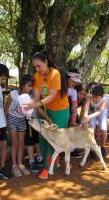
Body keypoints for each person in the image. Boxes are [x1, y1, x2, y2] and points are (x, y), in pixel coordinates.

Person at [24, 51, 70, 180]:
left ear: (46, 62)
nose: (37, 69)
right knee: (43, 136)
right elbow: (37, 96)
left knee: (53, 138)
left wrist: (35, 104)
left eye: (39, 66)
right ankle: (49, 162)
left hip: (60, 110)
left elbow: (51, 96)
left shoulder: (55, 74)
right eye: (35, 67)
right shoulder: (37, 76)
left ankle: (48, 167)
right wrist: (33, 105)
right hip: (45, 109)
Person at [4, 74, 34, 177]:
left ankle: (20, 163)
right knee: (15, 143)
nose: (30, 88)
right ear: (23, 85)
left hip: (22, 120)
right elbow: (6, 108)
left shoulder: (29, 97)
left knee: (21, 143)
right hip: (12, 118)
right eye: (29, 86)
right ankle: (14, 165)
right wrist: (6, 122)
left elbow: (28, 111)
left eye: (31, 86)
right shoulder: (13, 94)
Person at [81, 85, 109, 157]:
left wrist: (88, 117)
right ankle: (92, 149)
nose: (94, 99)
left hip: (101, 114)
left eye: (96, 97)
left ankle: (103, 146)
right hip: (92, 113)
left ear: (101, 96)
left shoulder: (105, 100)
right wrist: (85, 117)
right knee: (91, 128)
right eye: (93, 96)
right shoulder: (90, 97)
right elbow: (86, 108)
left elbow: (100, 111)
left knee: (103, 128)